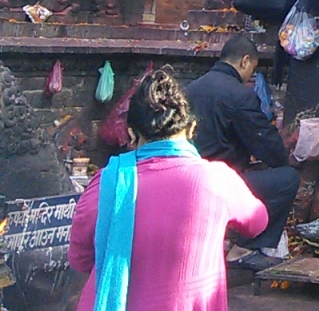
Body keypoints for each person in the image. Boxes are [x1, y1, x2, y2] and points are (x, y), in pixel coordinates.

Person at [69, 67, 267, 311]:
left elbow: (80, 259)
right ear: (192, 129)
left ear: (132, 135)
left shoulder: (106, 182)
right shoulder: (218, 179)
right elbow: (257, 222)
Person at [185, 35, 299, 271]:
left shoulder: (190, 90)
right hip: (221, 182)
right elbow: (266, 144)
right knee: (287, 179)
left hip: (189, 180)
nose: (250, 76)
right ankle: (244, 248)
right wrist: (283, 157)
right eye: (252, 70)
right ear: (245, 61)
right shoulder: (239, 95)